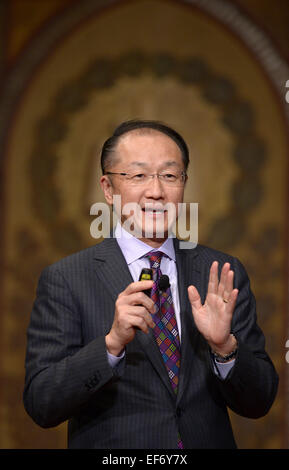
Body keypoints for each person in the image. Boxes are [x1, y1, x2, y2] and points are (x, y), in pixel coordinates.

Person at [23, 120, 278, 449]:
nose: (156, 191)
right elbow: (41, 403)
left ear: (184, 184)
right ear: (108, 189)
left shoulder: (220, 272)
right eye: (138, 175)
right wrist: (111, 345)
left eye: (170, 175)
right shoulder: (66, 279)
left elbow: (259, 402)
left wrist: (224, 348)